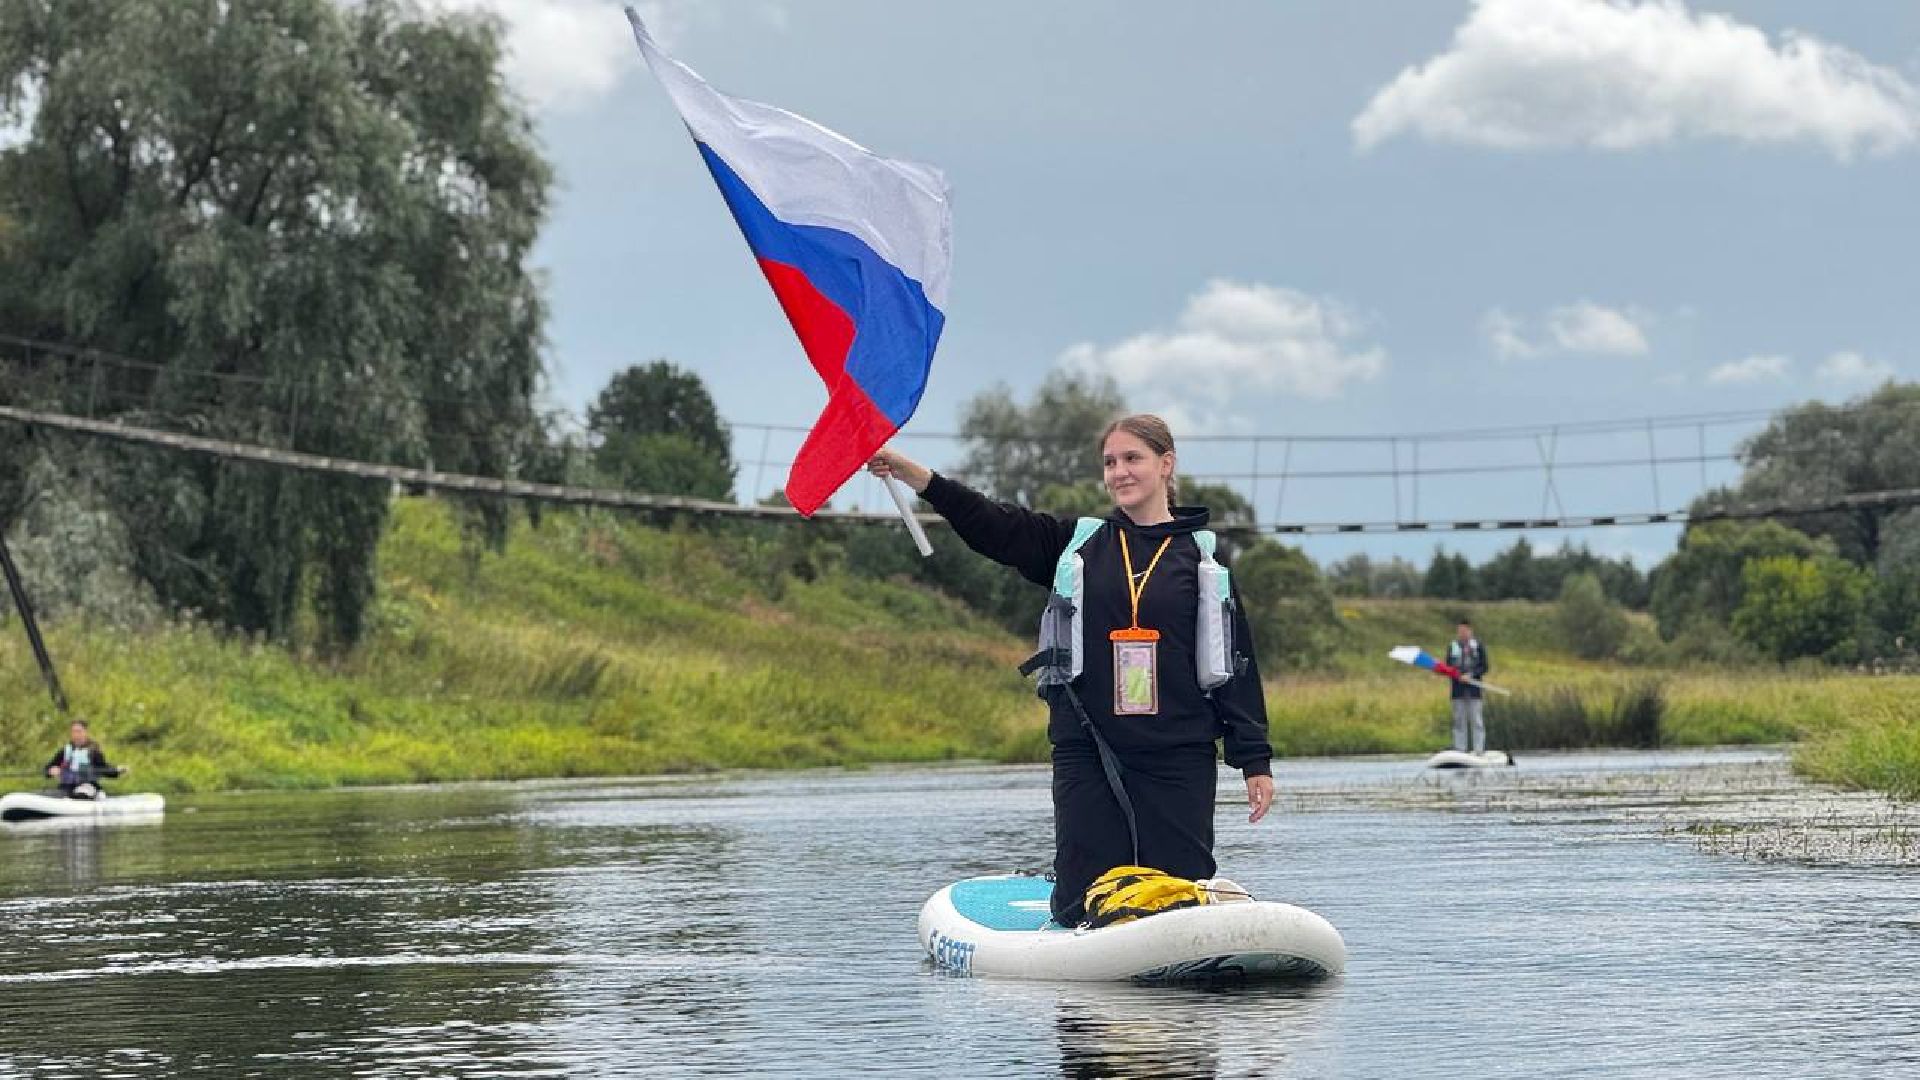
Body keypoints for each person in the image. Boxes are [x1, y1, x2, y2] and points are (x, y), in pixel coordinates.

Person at [869, 414, 1273, 925]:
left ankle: (1183, 993)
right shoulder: (1079, 543)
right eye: (1110, 462)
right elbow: (993, 525)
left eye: (1133, 458)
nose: (1119, 472)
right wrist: (915, 476)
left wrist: (1254, 760)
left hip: (1179, 754)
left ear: (1166, 464)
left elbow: (1237, 663)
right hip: (1091, 747)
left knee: (1177, 898)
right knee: (1085, 902)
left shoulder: (1203, 559)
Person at [1446, 619, 1491, 753]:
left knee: (1476, 720)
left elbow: (1484, 666)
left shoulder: (1478, 646)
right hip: (1458, 689)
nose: (1462, 633)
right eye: (1460, 631)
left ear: (1470, 631)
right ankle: (1460, 748)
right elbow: (1448, 667)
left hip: (1474, 689)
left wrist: (1471, 675)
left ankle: (1478, 749)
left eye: (1464, 631)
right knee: (1459, 720)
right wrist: (1458, 675)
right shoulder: (1452, 646)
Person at [45, 719, 112, 798]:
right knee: (56, 793)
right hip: (67, 787)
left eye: (79, 731)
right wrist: (51, 770)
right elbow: (48, 768)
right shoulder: (65, 751)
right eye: (74, 732)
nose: (76, 735)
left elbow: (104, 768)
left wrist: (116, 771)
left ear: (85, 732)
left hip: (87, 786)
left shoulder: (94, 752)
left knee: (82, 792)